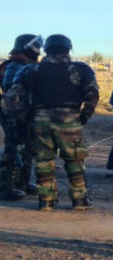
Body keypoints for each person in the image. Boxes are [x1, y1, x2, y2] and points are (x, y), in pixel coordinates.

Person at [3, 34, 99, 210]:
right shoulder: (80, 69)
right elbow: (93, 95)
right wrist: (83, 116)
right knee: (75, 160)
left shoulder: (30, 70)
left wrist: (26, 117)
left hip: (40, 121)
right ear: (68, 49)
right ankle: (79, 200)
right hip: (70, 119)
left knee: (44, 161)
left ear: (46, 49)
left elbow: (11, 98)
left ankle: (46, 201)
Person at [0, 34, 42, 200]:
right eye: (36, 47)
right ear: (26, 47)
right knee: (13, 149)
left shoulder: (25, 64)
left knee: (27, 149)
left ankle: (22, 183)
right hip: (14, 114)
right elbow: (11, 93)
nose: (38, 50)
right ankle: (5, 186)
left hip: (25, 113)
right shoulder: (15, 65)